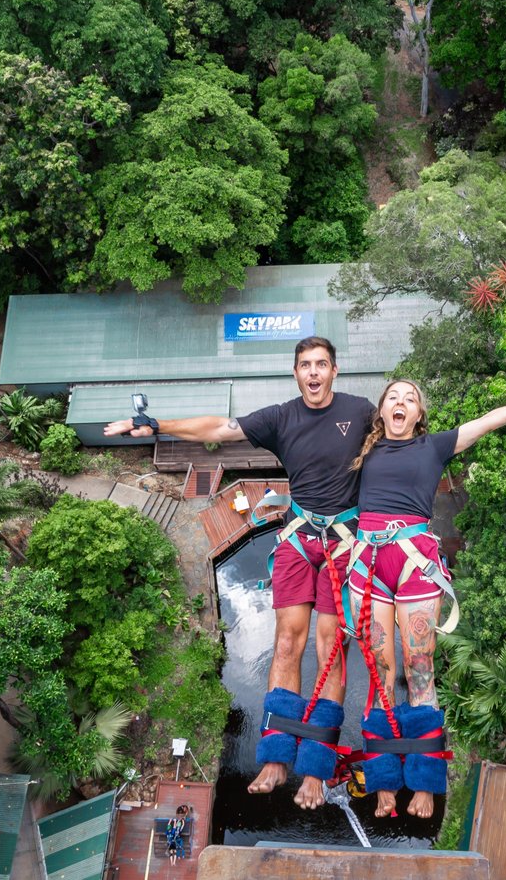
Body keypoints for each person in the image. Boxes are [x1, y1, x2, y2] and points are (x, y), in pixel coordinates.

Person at [105, 337, 375, 809]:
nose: (313, 373)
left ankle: (315, 766)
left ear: (335, 371)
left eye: (322, 365)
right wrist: (156, 424)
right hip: (298, 536)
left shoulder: (360, 409)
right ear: (295, 373)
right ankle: (275, 755)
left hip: (344, 541)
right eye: (305, 365)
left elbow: (401, 439)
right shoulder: (280, 416)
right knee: (287, 642)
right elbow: (219, 428)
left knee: (331, 647)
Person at [348, 371, 506, 819]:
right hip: (368, 561)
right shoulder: (365, 446)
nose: (400, 402)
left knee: (419, 670)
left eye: (409, 399)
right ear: (381, 411)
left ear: (418, 415)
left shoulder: (434, 446)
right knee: (380, 673)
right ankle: (385, 782)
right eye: (393, 397)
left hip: (413, 560)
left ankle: (426, 782)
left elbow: (489, 420)